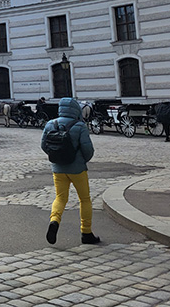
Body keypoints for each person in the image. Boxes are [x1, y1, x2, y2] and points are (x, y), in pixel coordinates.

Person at [41, 97, 100, 245]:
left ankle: (54, 221)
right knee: (84, 199)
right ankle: (86, 233)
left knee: (60, 198)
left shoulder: (50, 124)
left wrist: (55, 156)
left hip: (58, 169)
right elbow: (88, 150)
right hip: (77, 170)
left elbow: (44, 145)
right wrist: (82, 160)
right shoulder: (80, 126)